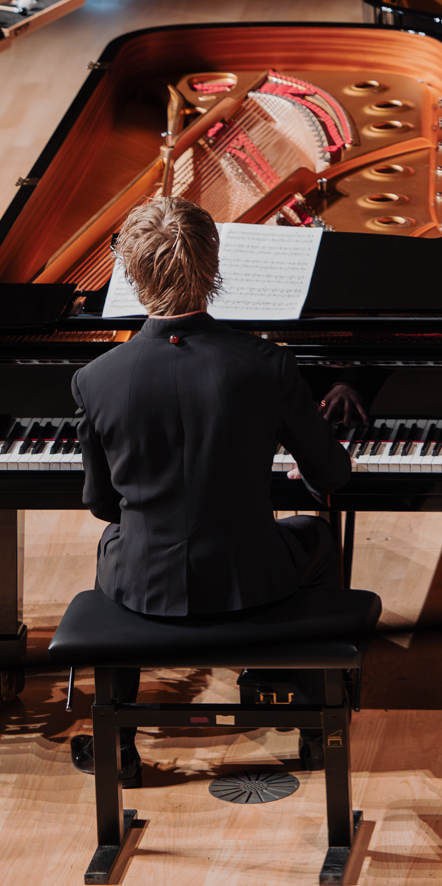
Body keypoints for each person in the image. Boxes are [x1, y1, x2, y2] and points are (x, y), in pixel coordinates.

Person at [70, 195, 352, 784]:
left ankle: (118, 744)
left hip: (143, 586)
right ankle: (314, 720)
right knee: (319, 540)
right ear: (214, 265)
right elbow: (331, 476)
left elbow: (102, 505)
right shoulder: (266, 363)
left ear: (132, 273)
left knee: (113, 548)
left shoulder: (95, 379)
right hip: (251, 577)